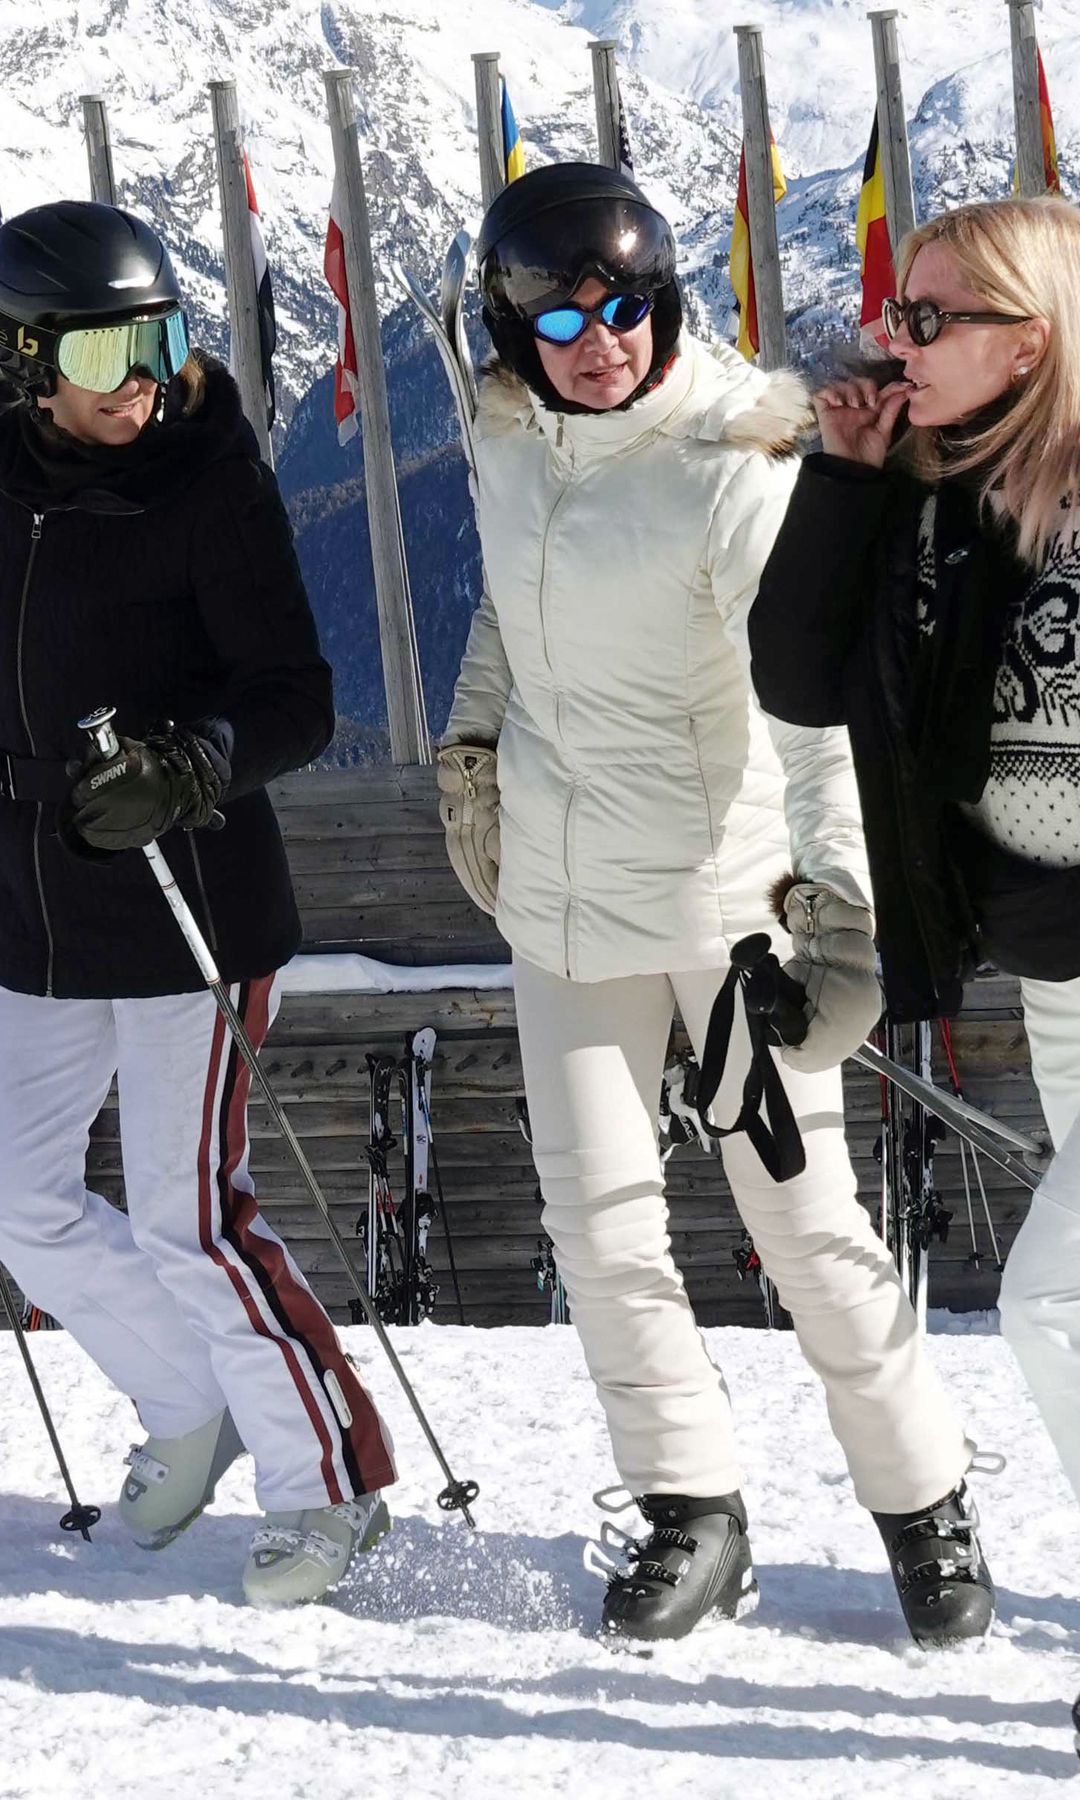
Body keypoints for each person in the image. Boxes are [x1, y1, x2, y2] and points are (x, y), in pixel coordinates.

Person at [436, 161, 994, 1646]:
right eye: (561, 320)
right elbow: (504, 594)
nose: (602, 340)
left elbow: (814, 712)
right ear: (511, 335)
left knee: (808, 1230)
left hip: (724, 909)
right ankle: (691, 1512)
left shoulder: (732, 462)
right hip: (562, 902)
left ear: (668, 299)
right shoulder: (505, 432)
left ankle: (926, 1507)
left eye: (628, 306)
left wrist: (841, 920)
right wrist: (471, 746)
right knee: (603, 1226)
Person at [0, 200, 395, 1606]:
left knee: (188, 1216)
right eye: (105, 347)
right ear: (21, 362)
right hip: (34, 908)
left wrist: (196, 762)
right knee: (21, 1196)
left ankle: (327, 1481)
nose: (143, 375)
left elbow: (297, 696)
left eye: (161, 334)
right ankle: (192, 1405)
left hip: (189, 904)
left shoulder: (206, 479)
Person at [748, 193, 1080, 1529]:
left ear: (1028, 339)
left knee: (1053, 1299)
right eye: (898, 312)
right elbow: (800, 675)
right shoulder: (933, 496)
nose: (895, 340)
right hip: (1056, 976)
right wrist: (845, 476)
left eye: (931, 317)